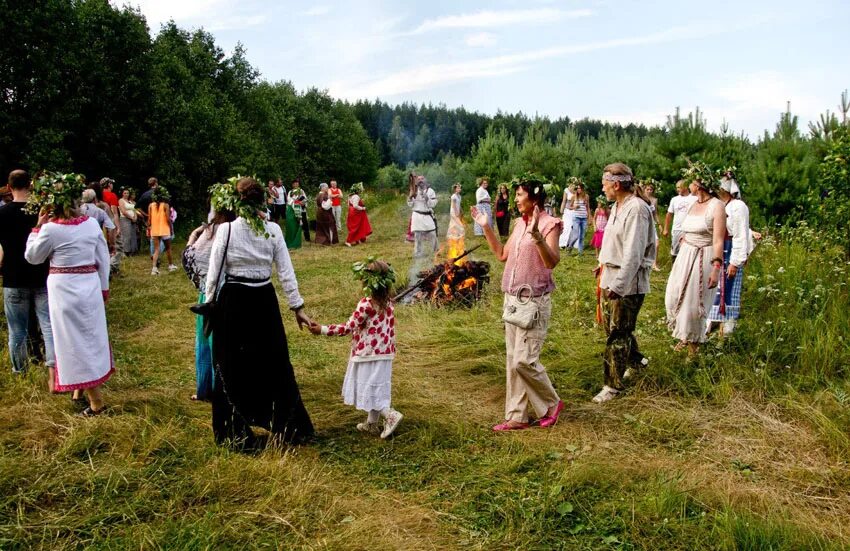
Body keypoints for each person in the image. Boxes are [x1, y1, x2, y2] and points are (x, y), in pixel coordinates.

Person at [204, 177, 314, 448]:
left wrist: (209, 305)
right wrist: (297, 307)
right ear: (262, 200)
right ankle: (285, 426)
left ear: (237, 201)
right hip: (263, 302)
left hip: (234, 302)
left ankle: (234, 432)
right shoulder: (272, 230)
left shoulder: (226, 230)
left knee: (232, 364)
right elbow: (286, 273)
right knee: (273, 363)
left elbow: (213, 275)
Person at [471, 175, 564, 431]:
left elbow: (551, 261)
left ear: (535, 198)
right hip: (512, 299)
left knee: (525, 361)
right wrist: (486, 226)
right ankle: (517, 416)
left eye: (520, 195)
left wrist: (537, 236)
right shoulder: (518, 225)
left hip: (534, 301)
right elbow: (502, 255)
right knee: (514, 360)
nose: (516, 199)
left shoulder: (550, 224)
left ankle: (551, 404)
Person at [25, 172, 113, 416]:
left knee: (73, 341)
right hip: (90, 285)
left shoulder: (51, 229)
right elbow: (102, 259)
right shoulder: (91, 225)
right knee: (90, 335)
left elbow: (33, 257)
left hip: (63, 288)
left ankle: (97, 403)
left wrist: (37, 228)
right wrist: (103, 288)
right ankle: (79, 392)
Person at [308, 259, 403, 439]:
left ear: (367, 282)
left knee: (369, 388)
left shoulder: (366, 304)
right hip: (385, 354)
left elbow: (348, 327)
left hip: (367, 354)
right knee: (375, 387)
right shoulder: (389, 303)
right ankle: (371, 424)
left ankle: (390, 415)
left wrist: (322, 329)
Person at [593, 163, 656, 403]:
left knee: (618, 334)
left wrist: (619, 286)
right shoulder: (617, 207)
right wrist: (602, 264)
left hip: (627, 283)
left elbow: (633, 253)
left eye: (604, 182)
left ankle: (613, 386)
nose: (602, 186)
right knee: (616, 328)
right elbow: (614, 244)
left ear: (616, 184)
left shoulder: (637, 209)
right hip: (611, 276)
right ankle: (639, 362)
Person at [665, 162, 726, 356]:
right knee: (673, 295)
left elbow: (718, 240)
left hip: (704, 255)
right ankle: (684, 334)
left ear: (699, 183)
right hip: (686, 254)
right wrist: (684, 238)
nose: (687, 185)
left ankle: (694, 347)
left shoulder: (716, 206)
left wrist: (716, 268)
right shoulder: (692, 203)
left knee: (694, 303)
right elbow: (687, 226)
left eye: (691, 181)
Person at [0, 170, 55, 382]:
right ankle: (54, 369)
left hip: (13, 277)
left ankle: (20, 373)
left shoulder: (2, 214)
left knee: (17, 331)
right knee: (48, 326)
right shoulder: (40, 212)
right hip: (41, 274)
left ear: (8, 185)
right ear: (31, 185)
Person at [184, 205, 236, 401]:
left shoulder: (212, 233)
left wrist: (192, 238)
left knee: (209, 340)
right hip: (228, 292)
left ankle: (212, 388)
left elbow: (190, 260)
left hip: (212, 295)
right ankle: (214, 387)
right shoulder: (236, 230)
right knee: (214, 341)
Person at [707, 171, 753, 335]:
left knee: (729, 287)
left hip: (731, 248)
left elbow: (741, 233)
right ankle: (711, 321)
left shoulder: (738, 206)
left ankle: (727, 327)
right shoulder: (717, 204)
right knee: (714, 287)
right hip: (718, 248)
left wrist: (735, 261)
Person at [407, 175, 438, 282]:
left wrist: (426, 198)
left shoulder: (430, 191)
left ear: (425, 180)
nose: (420, 181)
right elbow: (410, 204)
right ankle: (418, 253)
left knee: (433, 234)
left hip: (427, 215)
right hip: (417, 216)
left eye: (422, 179)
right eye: (418, 179)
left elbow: (433, 204)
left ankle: (436, 251)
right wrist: (411, 197)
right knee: (418, 237)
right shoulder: (413, 190)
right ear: (417, 181)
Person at [663, 179, 698, 263]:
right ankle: (674, 269)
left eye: (679, 187)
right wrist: (665, 228)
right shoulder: (674, 199)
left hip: (689, 230)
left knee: (688, 252)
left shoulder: (694, 198)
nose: (677, 189)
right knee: (675, 252)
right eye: (676, 187)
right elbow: (669, 214)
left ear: (685, 187)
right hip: (677, 229)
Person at [148, 185, 176, 275]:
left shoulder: (150, 205)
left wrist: (148, 228)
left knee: (156, 249)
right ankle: (171, 265)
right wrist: (171, 228)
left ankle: (154, 268)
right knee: (168, 248)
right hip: (164, 229)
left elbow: (149, 220)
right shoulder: (165, 205)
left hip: (155, 230)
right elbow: (168, 219)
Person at [566, 181, 591, 254]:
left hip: (584, 218)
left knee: (582, 236)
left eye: (579, 188)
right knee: (576, 234)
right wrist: (574, 207)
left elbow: (588, 207)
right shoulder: (574, 196)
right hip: (576, 218)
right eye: (577, 188)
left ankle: (580, 252)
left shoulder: (586, 196)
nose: (578, 190)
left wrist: (589, 217)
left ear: (582, 189)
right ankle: (569, 246)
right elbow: (569, 207)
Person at [345, 182, 372, 247]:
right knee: (355, 226)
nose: (361, 191)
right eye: (360, 189)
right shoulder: (356, 196)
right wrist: (362, 208)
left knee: (357, 226)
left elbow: (349, 205)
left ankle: (357, 239)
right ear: (358, 190)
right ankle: (348, 241)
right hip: (355, 213)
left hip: (351, 212)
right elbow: (355, 206)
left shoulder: (350, 196)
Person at [644, 181, 662, 271]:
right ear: (644, 189)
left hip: (652, 224)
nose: (649, 191)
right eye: (647, 189)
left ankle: (654, 264)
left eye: (651, 189)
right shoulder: (641, 199)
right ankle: (643, 262)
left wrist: (659, 224)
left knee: (657, 244)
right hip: (643, 223)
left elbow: (655, 214)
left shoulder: (654, 200)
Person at [118, 188, 139, 255]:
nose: (126, 194)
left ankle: (133, 250)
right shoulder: (121, 200)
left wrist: (135, 217)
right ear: (122, 194)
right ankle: (125, 251)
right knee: (126, 235)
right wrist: (131, 217)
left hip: (133, 219)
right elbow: (123, 211)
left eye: (127, 193)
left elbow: (134, 210)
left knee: (133, 235)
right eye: (125, 193)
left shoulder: (130, 201)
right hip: (125, 219)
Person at [284, 179, 303, 249]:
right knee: (290, 225)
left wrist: (301, 202)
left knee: (296, 224)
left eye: (297, 183)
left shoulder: (301, 191)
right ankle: (289, 242)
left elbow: (304, 199)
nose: (296, 185)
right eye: (294, 183)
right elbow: (288, 200)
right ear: (292, 185)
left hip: (298, 209)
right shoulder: (290, 192)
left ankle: (296, 242)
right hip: (291, 210)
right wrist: (294, 201)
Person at [447, 183, 465, 253]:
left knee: (455, 225)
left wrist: (461, 210)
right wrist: (457, 213)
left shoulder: (459, 196)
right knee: (460, 226)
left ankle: (456, 239)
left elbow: (458, 205)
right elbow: (453, 205)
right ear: (455, 189)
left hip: (457, 211)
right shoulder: (453, 196)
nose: (459, 189)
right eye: (458, 188)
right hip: (453, 212)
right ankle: (457, 238)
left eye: (460, 188)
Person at [558, 181, 576, 248]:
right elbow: (564, 201)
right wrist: (561, 210)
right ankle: (563, 242)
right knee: (566, 226)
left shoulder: (577, 190)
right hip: (567, 211)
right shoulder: (566, 190)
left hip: (575, 211)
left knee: (574, 227)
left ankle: (572, 243)